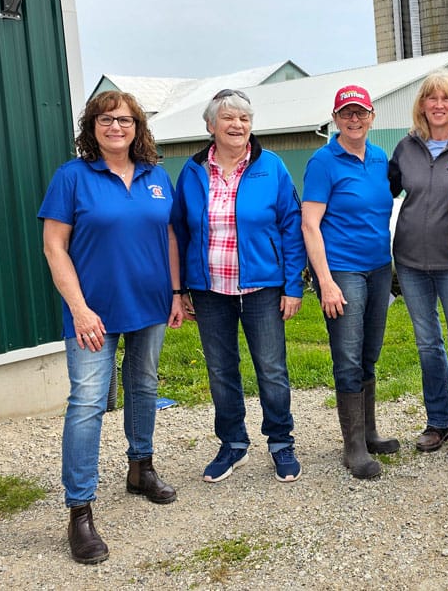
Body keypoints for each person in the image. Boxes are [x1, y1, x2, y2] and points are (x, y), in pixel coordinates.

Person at [39, 90, 183, 564]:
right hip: (92, 313)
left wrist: (177, 294)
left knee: (143, 384)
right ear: (92, 127)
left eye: (124, 119)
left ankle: (141, 468)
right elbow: (54, 247)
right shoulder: (72, 177)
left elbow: (168, 235)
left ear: (138, 126)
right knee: (86, 403)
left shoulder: (156, 176)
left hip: (150, 305)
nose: (115, 127)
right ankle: (79, 510)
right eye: (105, 120)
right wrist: (79, 308)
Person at [172, 89, 306, 485]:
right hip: (210, 290)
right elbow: (178, 230)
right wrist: (179, 289)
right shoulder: (193, 171)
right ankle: (233, 443)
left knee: (271, 368)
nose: (237, 125)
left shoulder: (272, 166)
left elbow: (291, 226)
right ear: (211, 126)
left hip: (263, 287)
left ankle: (281, 442)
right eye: (228, 118)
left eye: (244, 119)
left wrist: (293, 285)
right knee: (220, 370)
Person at [301, 85, 400, 479]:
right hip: (342, 270)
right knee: (347, 356)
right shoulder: (323, 162)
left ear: (372, 116)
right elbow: (309, 224)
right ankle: (353, 447)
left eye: (360, 113)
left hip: (378, 269)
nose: (354, 120)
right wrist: (324, 281)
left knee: (369, 353)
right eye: (346, 113)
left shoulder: (379, 159)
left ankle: (370, 432)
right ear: (335, 118)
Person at [389, 70, 448, 459]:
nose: (439, 105)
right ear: (422, 105)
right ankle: (437, 422)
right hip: (410, 260)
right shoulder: (406, 147)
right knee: (428, 343)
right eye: (432, 98)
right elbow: (382, 193)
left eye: (447, 99)